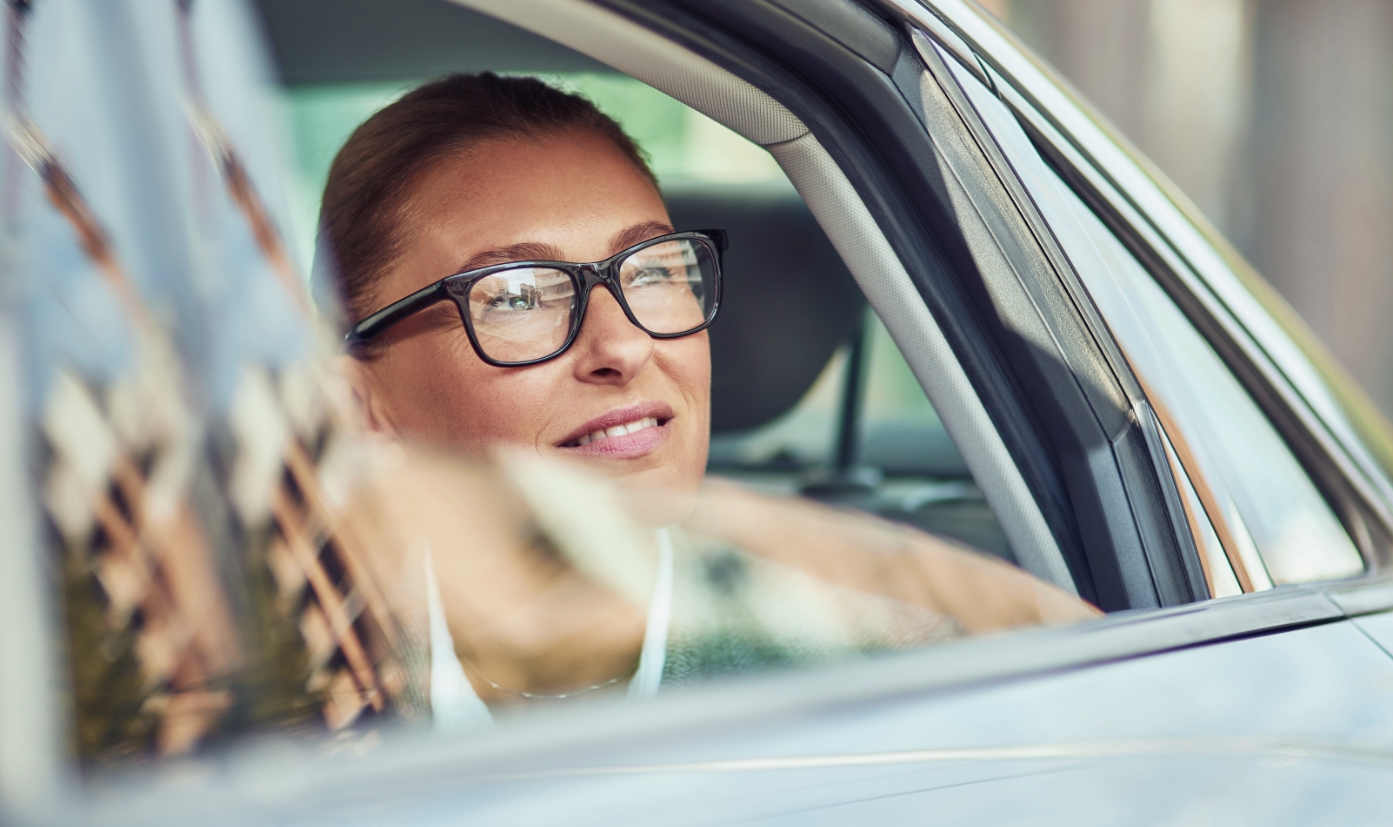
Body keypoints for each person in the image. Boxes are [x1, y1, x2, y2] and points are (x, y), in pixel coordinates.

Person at [319, 73, 1096, 729]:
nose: (623, 347)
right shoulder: (264, 686)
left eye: (653, 270)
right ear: (362, 406)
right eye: (517, 295)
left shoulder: (897, 672)